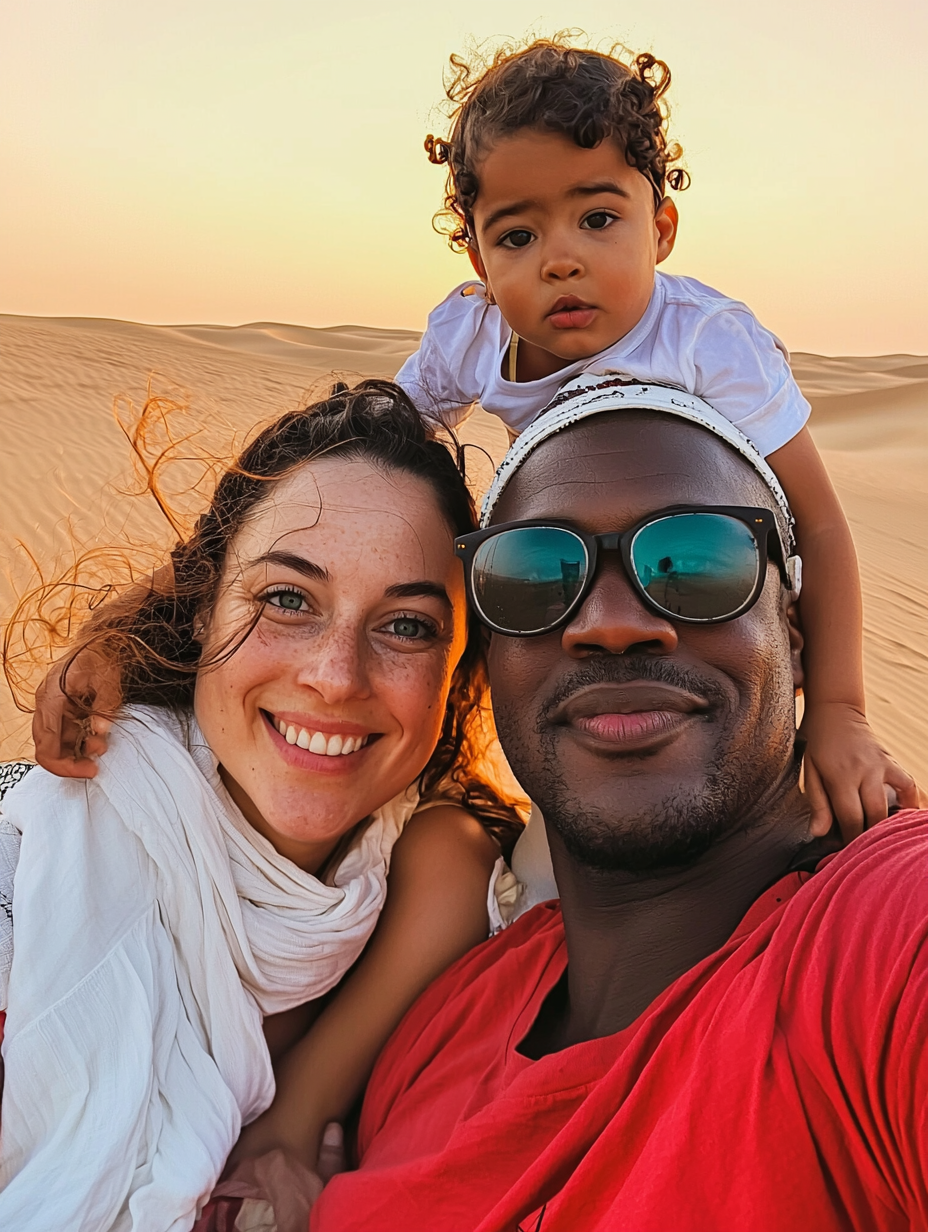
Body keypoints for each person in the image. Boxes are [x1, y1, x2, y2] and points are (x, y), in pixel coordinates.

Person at [311, 375, 928, 1232]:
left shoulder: (881, 940)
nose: (608, 622)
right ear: (489, 659)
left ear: (792, 626)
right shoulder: (437, 1021)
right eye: (534, 575)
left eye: (697, 562)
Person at [0, 381, 522, 1232]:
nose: (335, 675)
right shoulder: (34, 853)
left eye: (408, 627)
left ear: (461, 670)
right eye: (287, 599)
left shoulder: (455, 902)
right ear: (202, 607)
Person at [396, 36, 918, 835]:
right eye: (516, 237)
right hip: (566, 594)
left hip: (720, 608)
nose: (560, 260)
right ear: (475, 251)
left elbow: (818, 521)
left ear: (661, 228)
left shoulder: (707, 341)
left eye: (598, 218)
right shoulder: (471, 335)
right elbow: (386, 439)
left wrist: (841, 709)